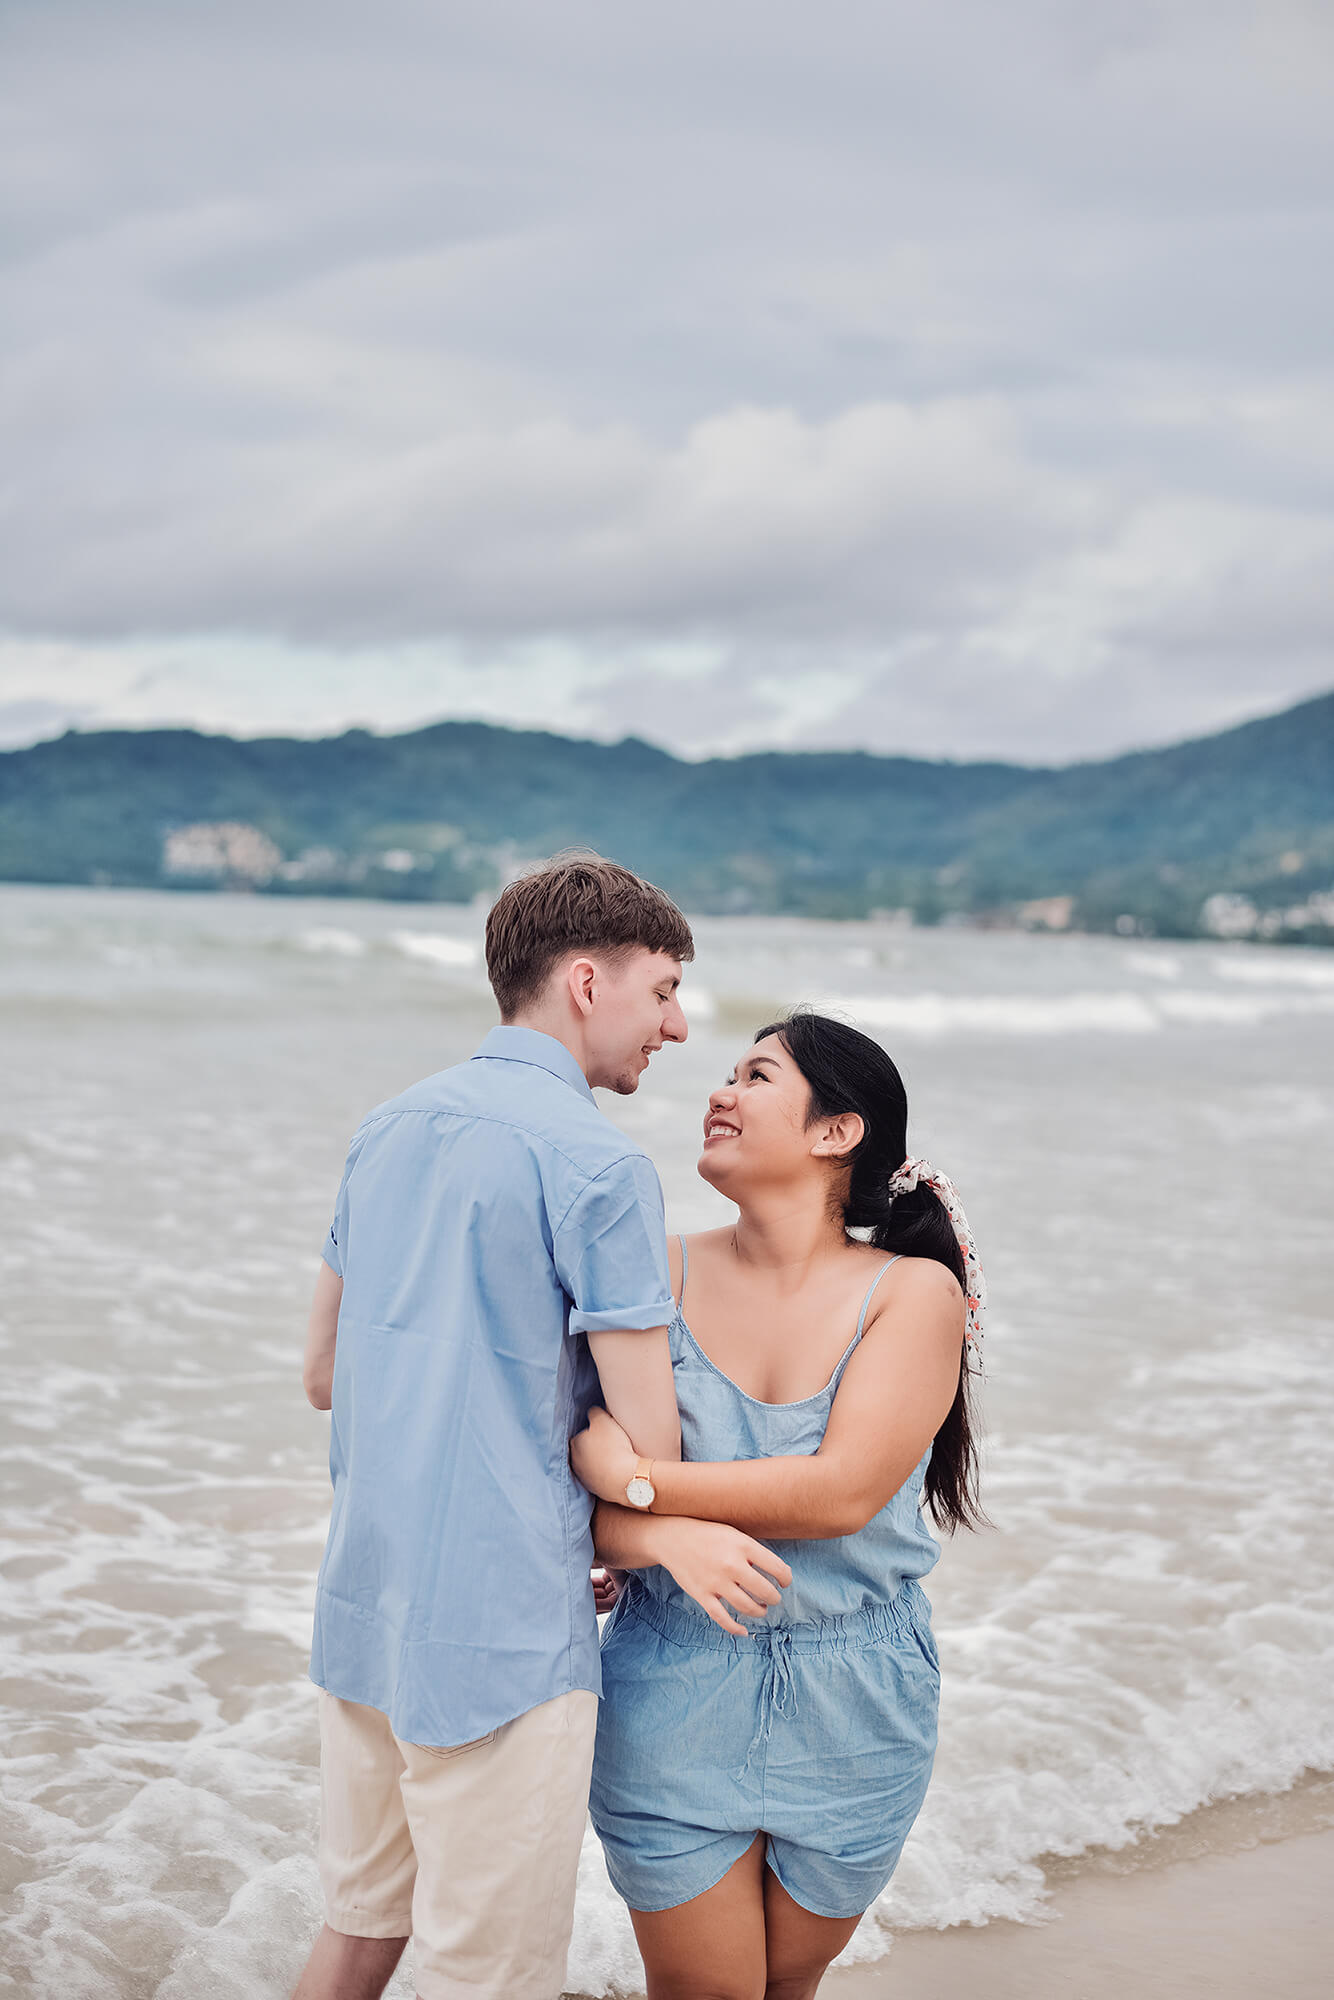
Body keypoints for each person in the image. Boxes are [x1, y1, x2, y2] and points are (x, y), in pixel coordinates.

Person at [292, 855, 702, 2000]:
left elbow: (321, 1372)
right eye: (661, 988)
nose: (672, 1024)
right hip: (506, 1634)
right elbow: (649, 1445)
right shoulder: (600, 1163)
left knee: (355, 1935)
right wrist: (625, 1528)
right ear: (585, 979)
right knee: (492, 1977)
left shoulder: (389, 1125)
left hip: (366, 1608)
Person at [571, 1010, 986, 2000]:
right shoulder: (653, 1270)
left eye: (754, 1075)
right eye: (725, 1073)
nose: (719, 1090)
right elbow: (555, 1501)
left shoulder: (910, 1291)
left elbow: (837, 1491)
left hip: (857, 1695)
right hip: (670, 1681)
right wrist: (659, 1537)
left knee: (781, 1989)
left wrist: (639, 1487)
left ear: (833, 1131)